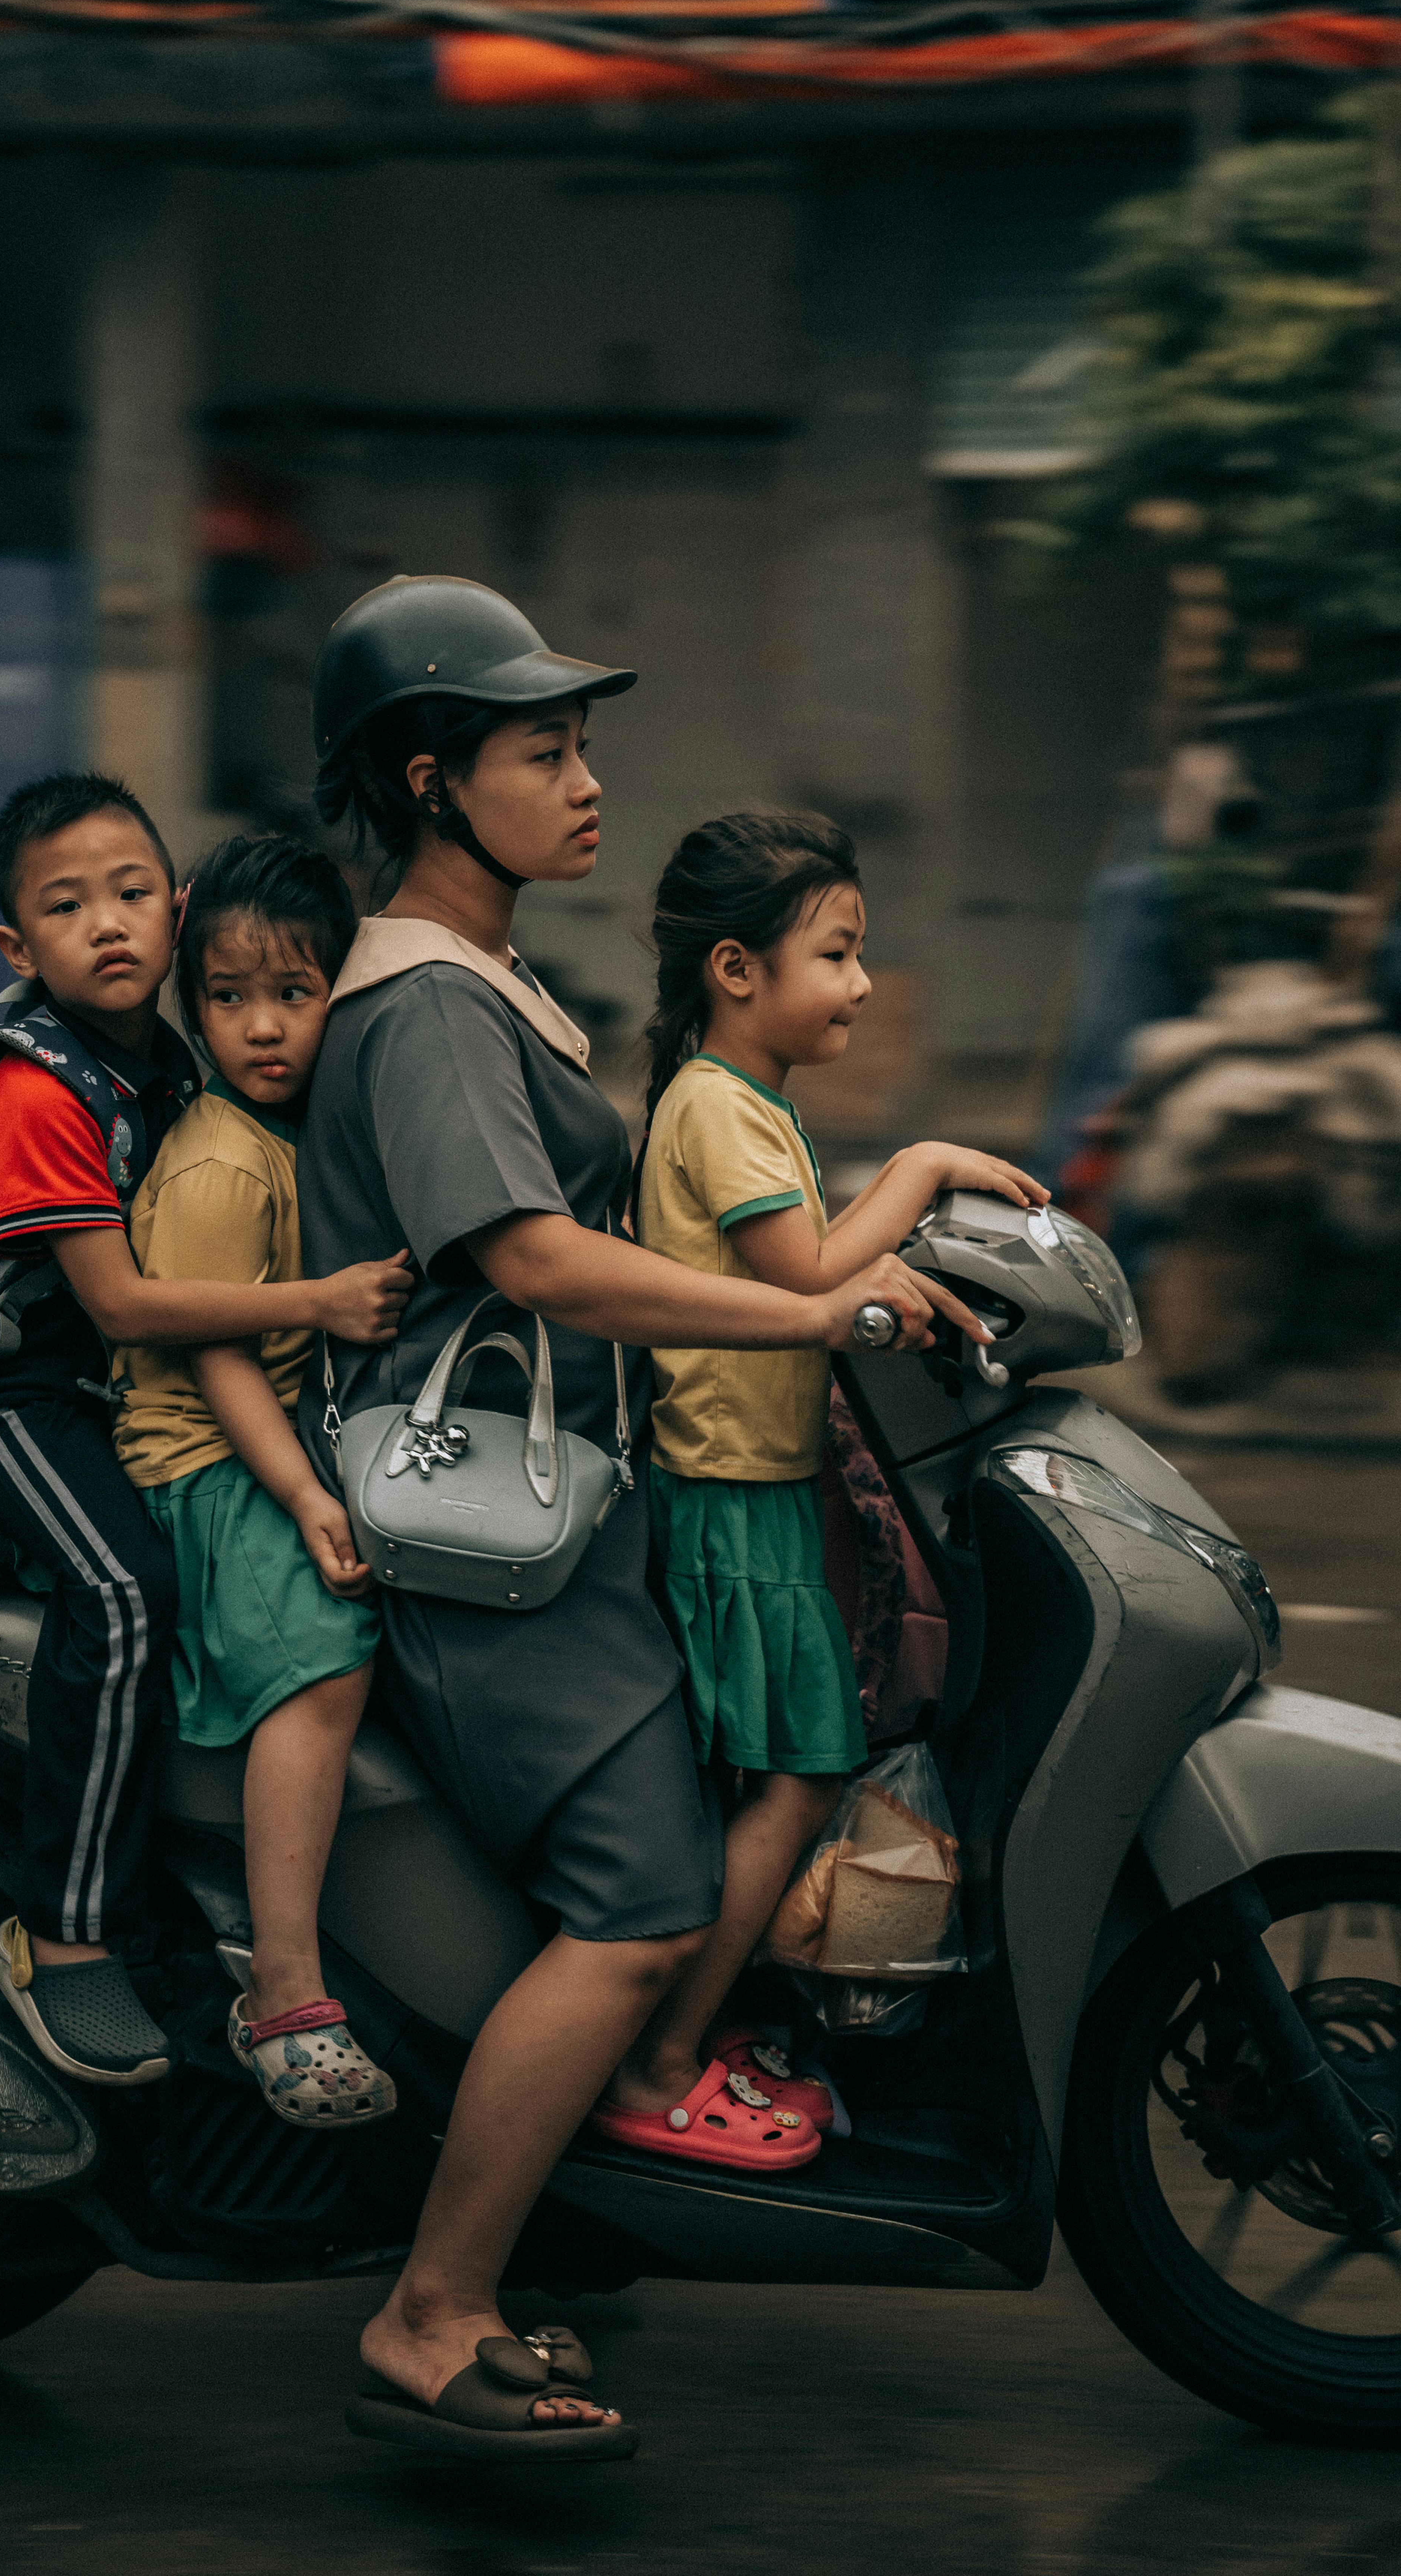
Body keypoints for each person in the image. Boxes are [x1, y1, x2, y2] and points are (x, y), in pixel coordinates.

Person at [296, 575, 991, 2462]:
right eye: (545, 751)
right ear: (434, 782)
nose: (587, 781)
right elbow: (533, 1258)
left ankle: (560, 2212)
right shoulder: (431, 1006)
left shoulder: (496, 979)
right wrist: (798, 1309)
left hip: (569, 1507)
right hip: (489, 1536)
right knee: (639, 1912)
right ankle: (432, 2315)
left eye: (583, 743)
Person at [0, 772, 410, 2088]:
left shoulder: (165, 1058)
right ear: (16, 948)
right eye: (66, 907)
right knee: (123, 1593)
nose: (106, 926)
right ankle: (63, 1937)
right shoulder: (36, 1093)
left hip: (81, 1385)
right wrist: (323, 1302)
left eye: (127, 894)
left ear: (173, 913)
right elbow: (122, 1302)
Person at [592, 808, 1049, 2164]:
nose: (859, 982)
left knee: (775, 1774)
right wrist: (922, 1167)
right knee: (796, 1776)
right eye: (838, 953)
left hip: (758, 1485)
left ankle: (692, 2022)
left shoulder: (742, 1102)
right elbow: (805, 1276)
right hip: (734, 1497)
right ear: (739, 971)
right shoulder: (719, 1106)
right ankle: (660, 2060)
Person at [113, 834, 397, 2126]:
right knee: (326, 1668)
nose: (264, 1027)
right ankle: (283, 1992)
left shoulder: (296, 1129)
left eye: (295, 992)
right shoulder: (225, 1155)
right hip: (211, 1461)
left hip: (271, 1439)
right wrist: (301, 1495)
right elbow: (213, 1350)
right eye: (228, 999)